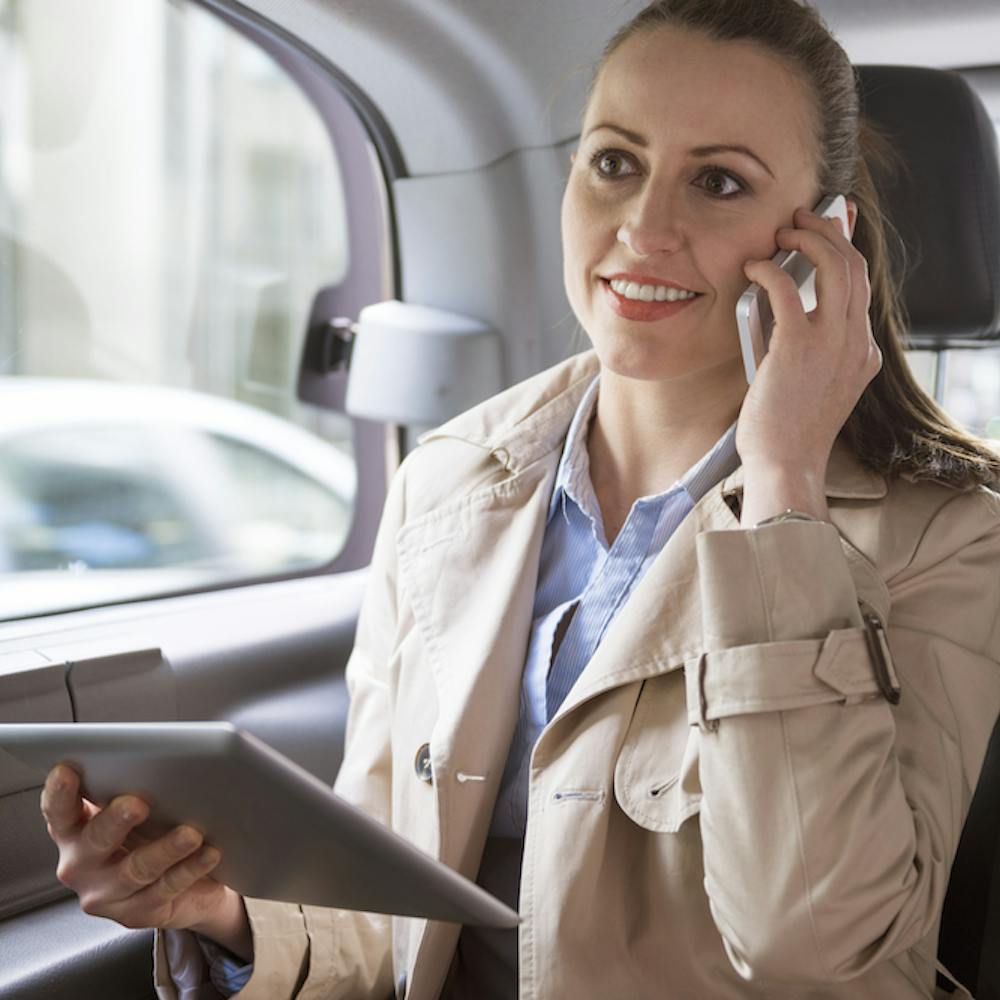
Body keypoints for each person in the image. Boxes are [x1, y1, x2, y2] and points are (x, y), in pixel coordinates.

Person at [40, 1, 1000, 997]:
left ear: (822, 239)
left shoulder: (942, 535)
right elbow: (384, 911)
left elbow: (815, 951)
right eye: (614, 161)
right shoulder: (446, 481)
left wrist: (785, 484)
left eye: (717, 182)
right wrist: (223, 916)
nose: (642, 226)